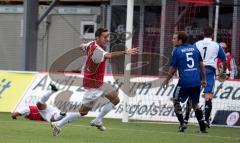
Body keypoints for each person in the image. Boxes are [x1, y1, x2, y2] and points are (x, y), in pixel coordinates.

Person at [51, 27, 138, 136]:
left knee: (116, 99)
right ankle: (58, 124)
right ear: (97, 38)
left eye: (108, 37)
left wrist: (83, 47)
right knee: (83, 112)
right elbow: (109, 55)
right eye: (105, 37)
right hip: (93, 86)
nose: (107, 39)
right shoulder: (98, 51)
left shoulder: (91, 44)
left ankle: (97, 120)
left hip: (97, 83)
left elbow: (83, 46)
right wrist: (126, 52)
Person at [162, 31, 207, 133]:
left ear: (180, 40)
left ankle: (182, 123)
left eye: (174, 38)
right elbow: (202, 66)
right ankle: (202, 127)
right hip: (196, 81)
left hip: (185, 82)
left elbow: (173, 68)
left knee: (175, 99)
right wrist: (204, 80)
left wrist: (166, 80)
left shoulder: (176, 50)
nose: (172, 40)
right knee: (195, 104)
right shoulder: (195, 48)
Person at [195, 27, 227, 127]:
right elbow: (224, 60)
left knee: (193, 95)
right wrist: (224, 73)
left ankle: (186, 120)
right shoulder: (216, 45)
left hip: (197, 70)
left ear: (203, 33)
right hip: (209, 70)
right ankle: (206, 120)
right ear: (212, 35)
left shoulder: (197, 44)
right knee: (208, 95)